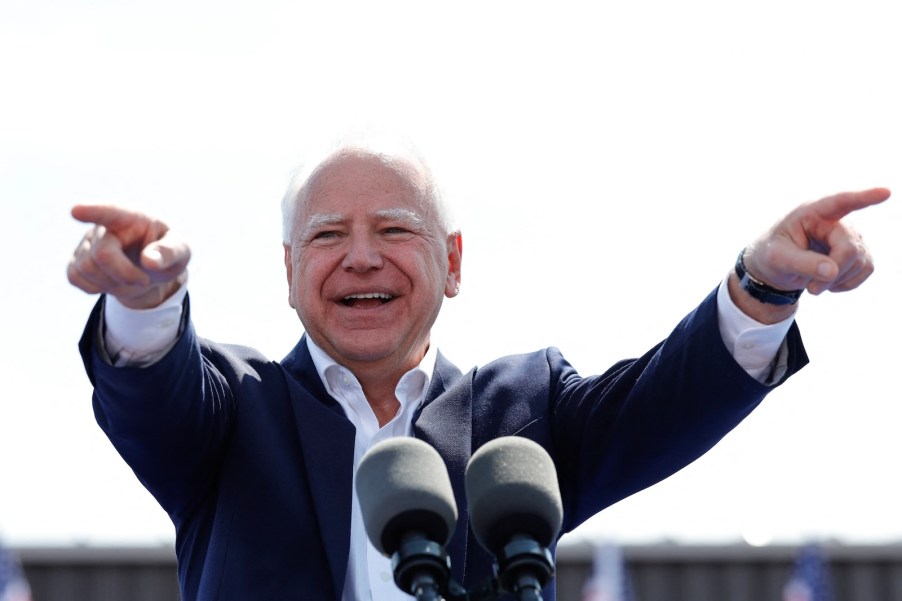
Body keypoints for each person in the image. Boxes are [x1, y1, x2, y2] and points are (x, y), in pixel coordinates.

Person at [67, 138, 888, 601]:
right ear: (287, 270)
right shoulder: (231, 412)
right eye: (326, 236)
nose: (359, 257)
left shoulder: (522, 415)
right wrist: (145, 300)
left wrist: (763, 284)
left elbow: (669, 399)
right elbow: (151, 386)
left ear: (451, 261)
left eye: (392, 229)